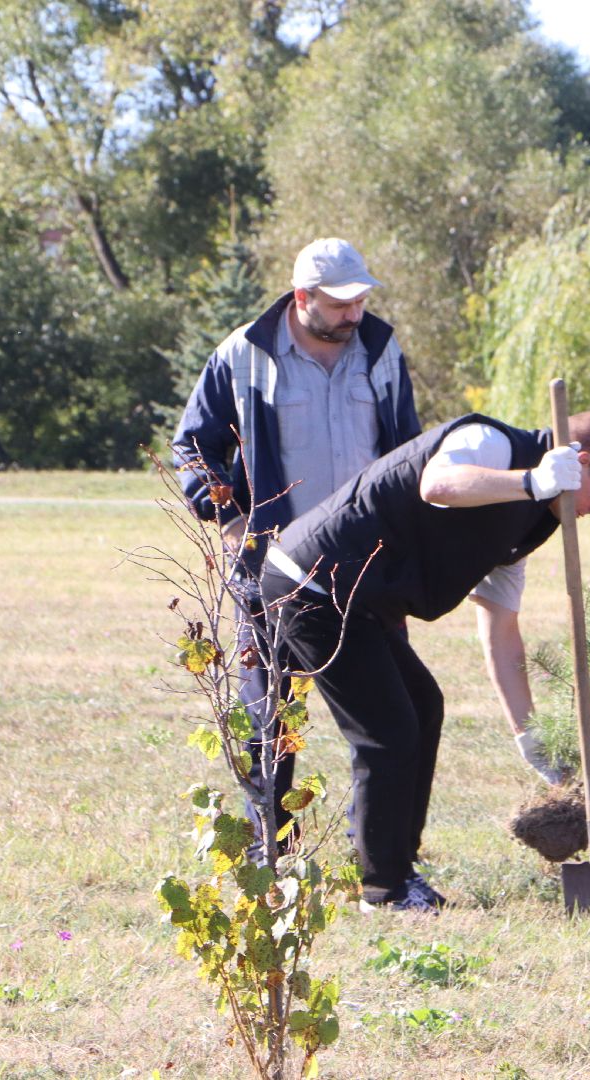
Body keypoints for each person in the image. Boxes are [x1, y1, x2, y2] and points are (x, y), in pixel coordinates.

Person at [258, 411, 590, 911]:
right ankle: (384, 890)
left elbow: (501, 631)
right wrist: (532, 480)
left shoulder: (528, 524)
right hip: (313, 583)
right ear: (579, 462)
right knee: (388, 729)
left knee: (423, 705)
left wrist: (529, 737)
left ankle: (396, 865)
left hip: (360, 600)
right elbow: (438, 483)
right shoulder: (492, 444)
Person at [170, 237, 422, 847]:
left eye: (360, 300)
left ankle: (384, 858)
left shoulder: (382, 351)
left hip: (368, 571)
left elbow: (409, 454)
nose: (353, 314)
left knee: (394, 718)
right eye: (339, 304)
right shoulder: (243, 353)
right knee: (269, 719)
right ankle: (270, 850)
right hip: (276, 571)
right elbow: (193, 448)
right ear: (302, 296)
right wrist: (230, 521)